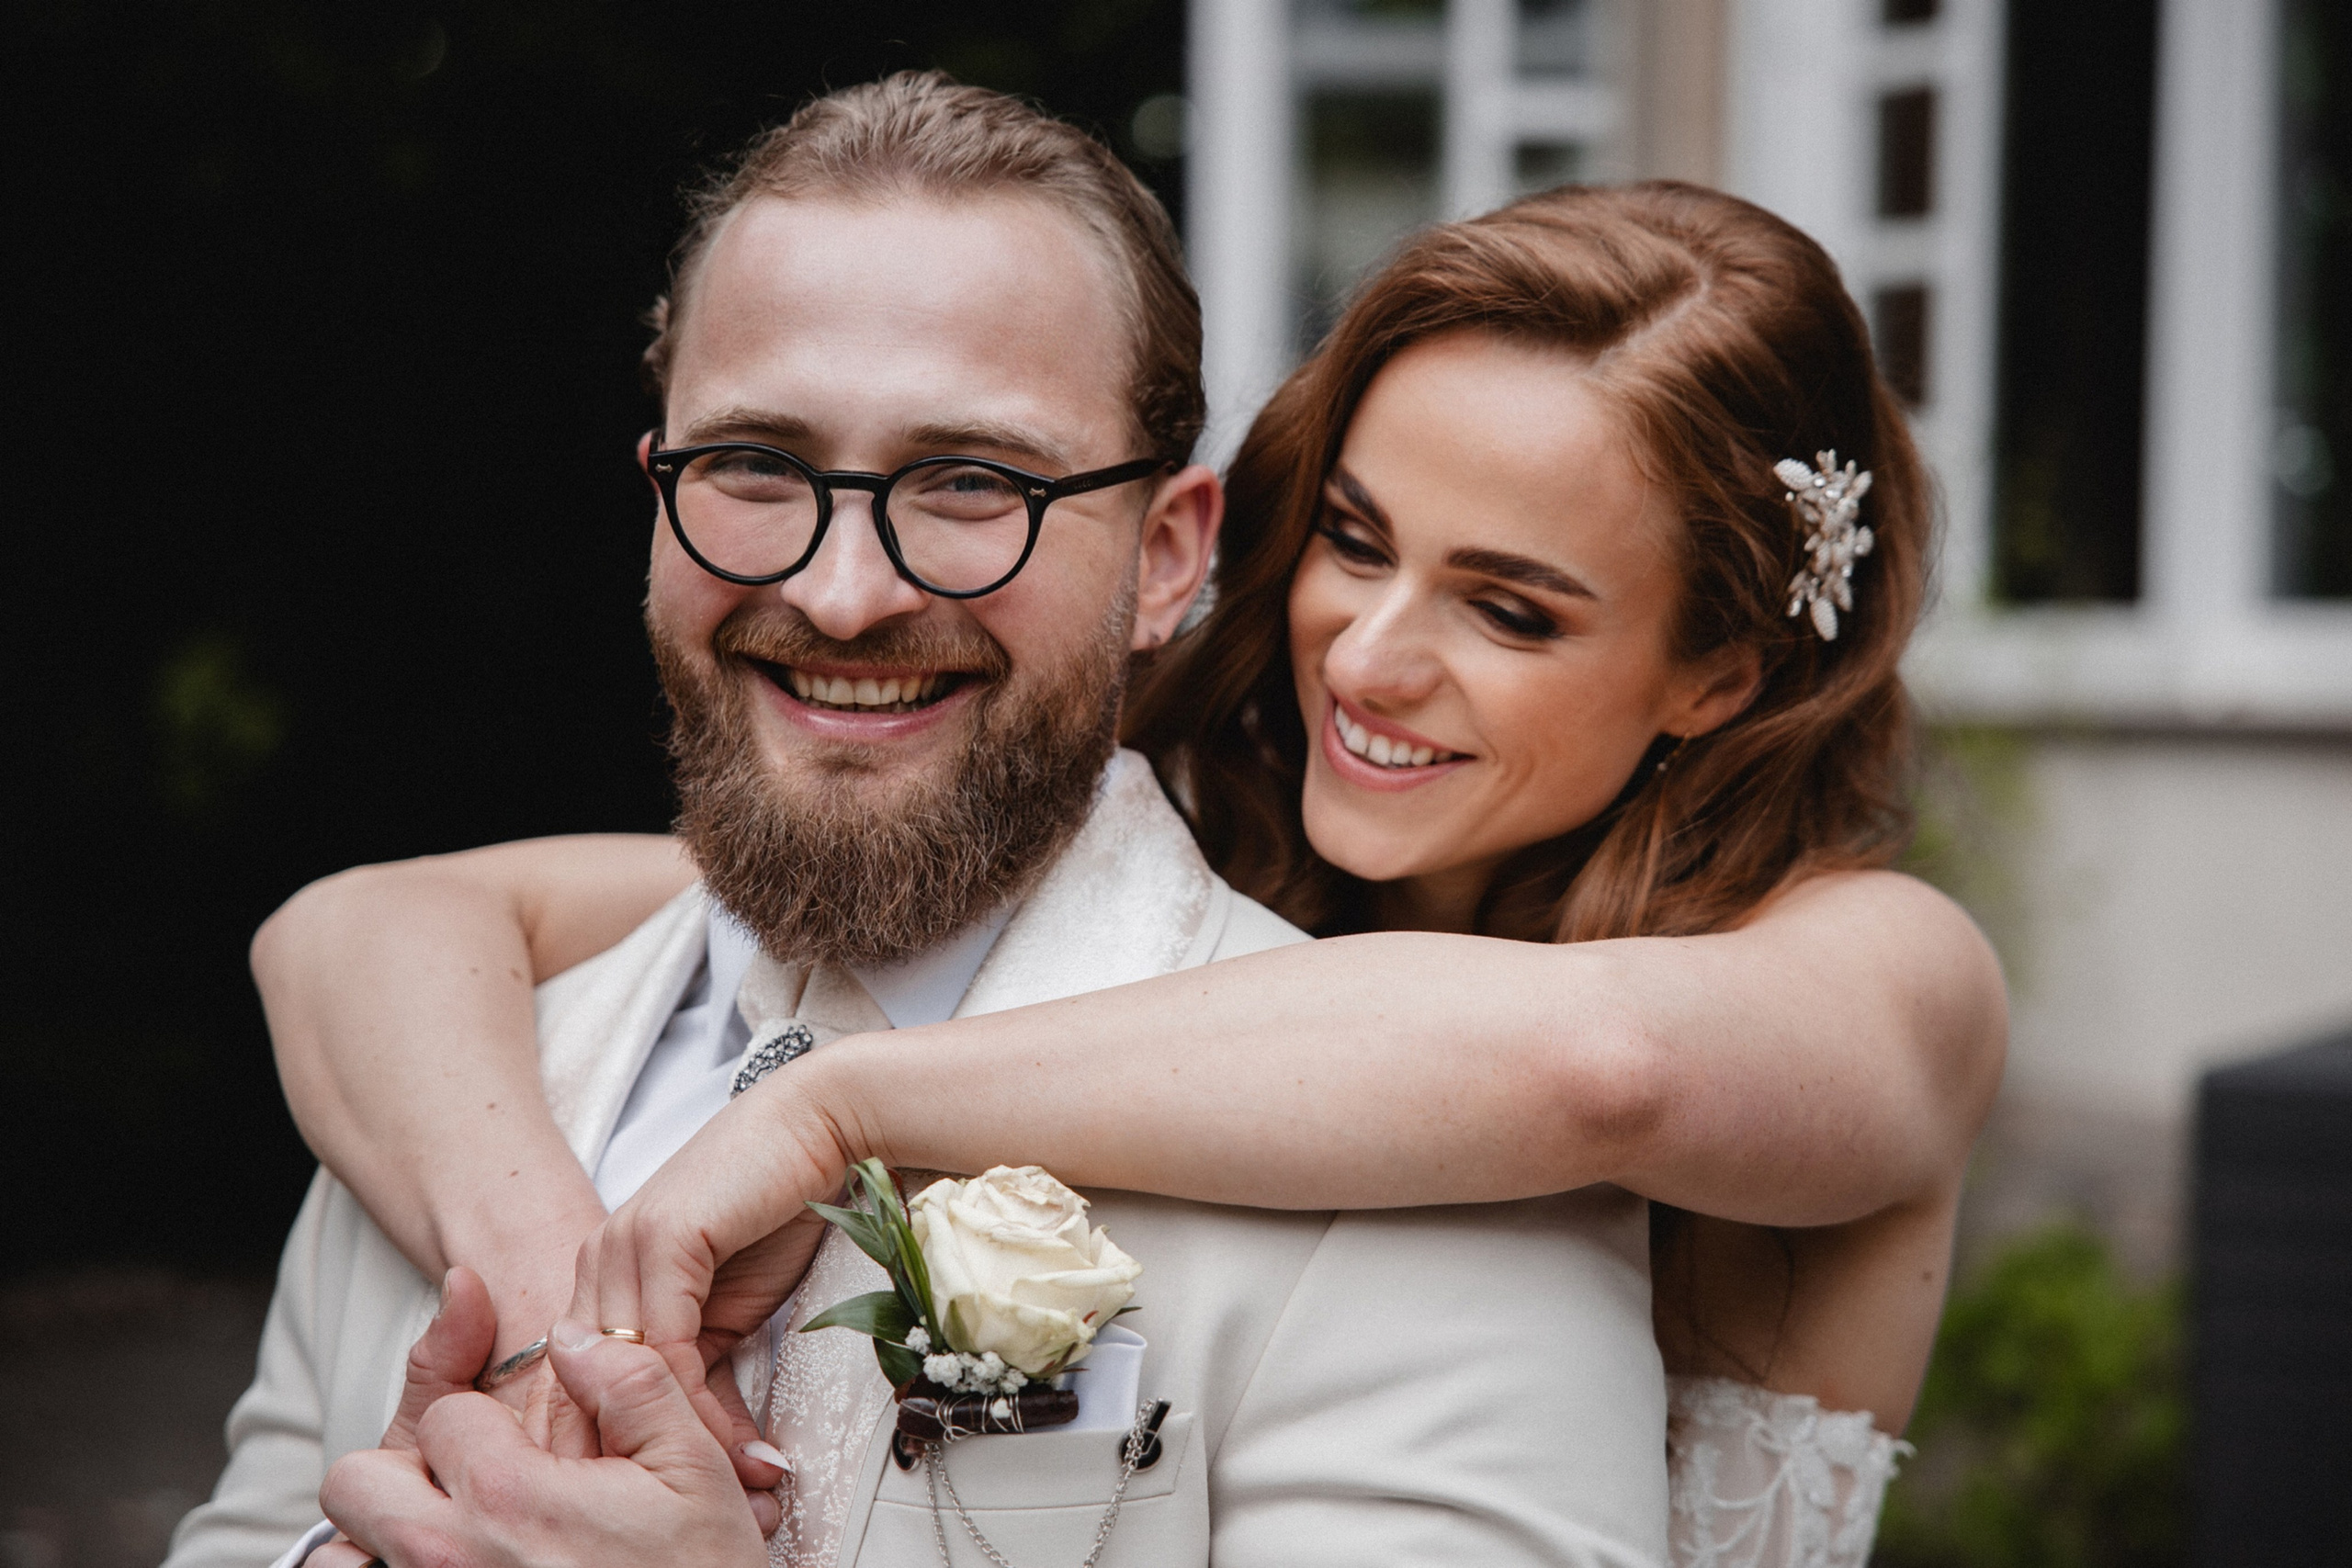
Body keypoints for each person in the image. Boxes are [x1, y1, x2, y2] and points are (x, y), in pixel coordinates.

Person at [253, 156, 2005, 1568]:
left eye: (1509, 606)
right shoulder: (1157, 831)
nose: (1369, 656)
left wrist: (832, 1113)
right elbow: (381, 923)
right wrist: (574, 1300)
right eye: (1356, 541)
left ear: (1721, 672)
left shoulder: (1883, 966)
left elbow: (1595, 1063)